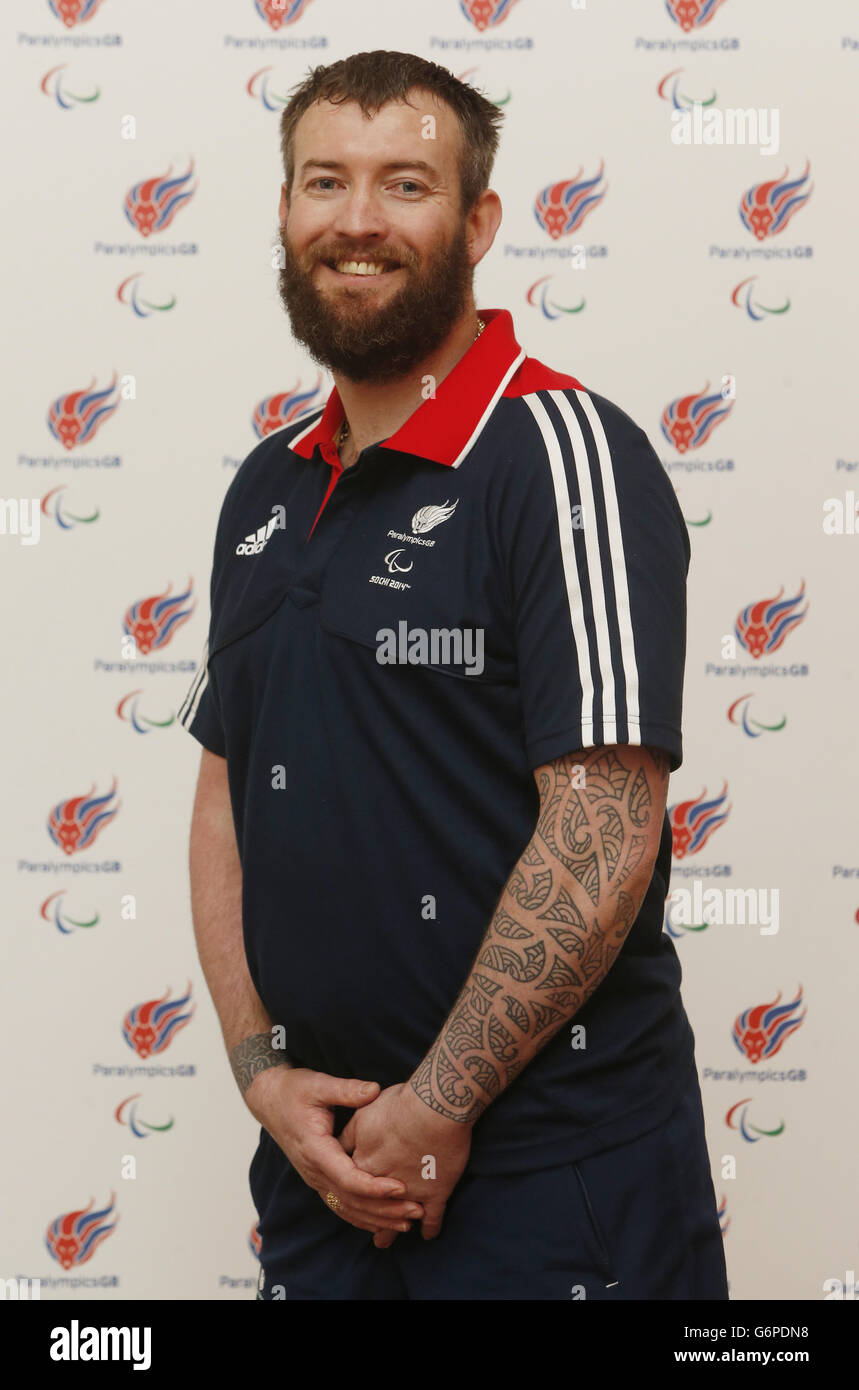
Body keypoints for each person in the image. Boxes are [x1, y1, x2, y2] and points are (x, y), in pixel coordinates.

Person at [180, 49, 728, 1301]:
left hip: (552, 1183)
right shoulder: (267, 484)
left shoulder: (558, 452)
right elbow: (224, 796)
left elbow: (602, 825)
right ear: (284, 211)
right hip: (322, 1174)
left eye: (405, 184)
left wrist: (438, 1103)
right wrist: (262, 1067)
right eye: (325, 181)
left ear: (478, 221)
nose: (358, 220)